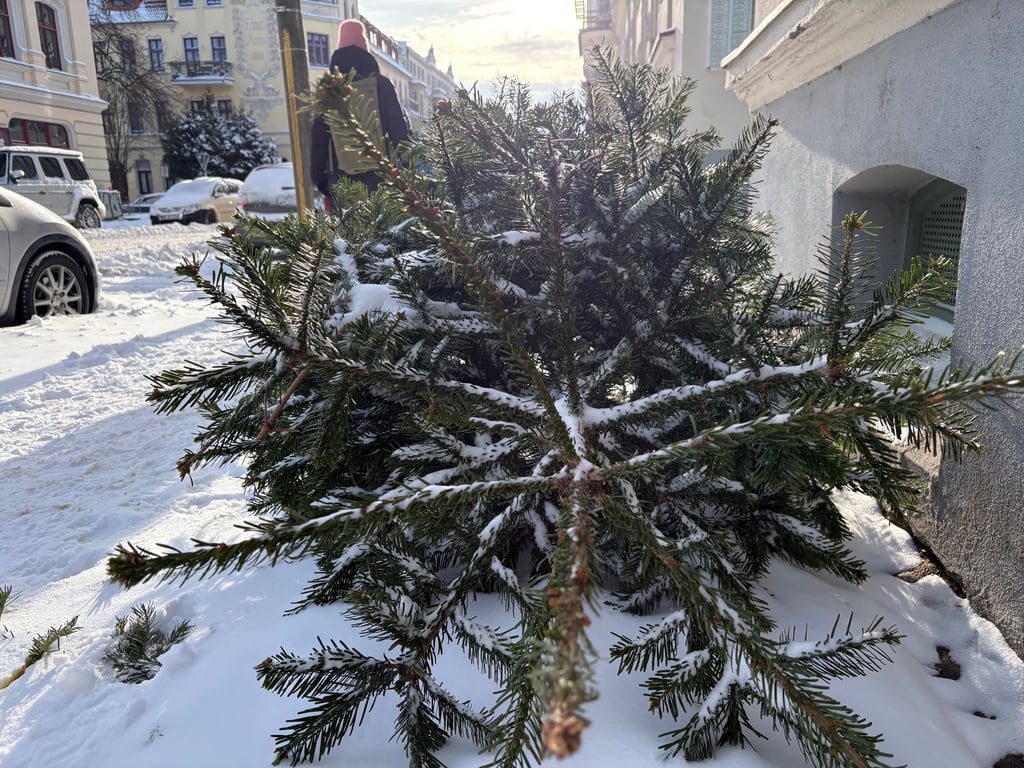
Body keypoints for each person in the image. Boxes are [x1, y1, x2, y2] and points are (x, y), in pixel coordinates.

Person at [311, 19, 410, 209]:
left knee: (345, 238)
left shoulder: (329, 89)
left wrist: (321, 181)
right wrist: (407, 172)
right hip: (380, 176)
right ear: (366, 49)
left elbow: (318, 140)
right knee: (385, 233)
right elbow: (399, 131)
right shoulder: (381, 84)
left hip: (339, 180)